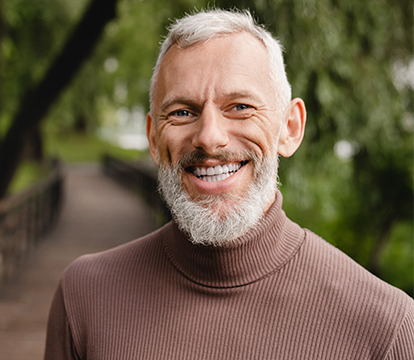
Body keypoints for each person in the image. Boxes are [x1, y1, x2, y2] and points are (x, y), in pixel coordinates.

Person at [44, 9, 414, 359]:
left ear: (290, 128)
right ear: (154, 140)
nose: (209, 138)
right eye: (182, 112)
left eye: (240, 107)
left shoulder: (385, 328)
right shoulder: (85, 298)